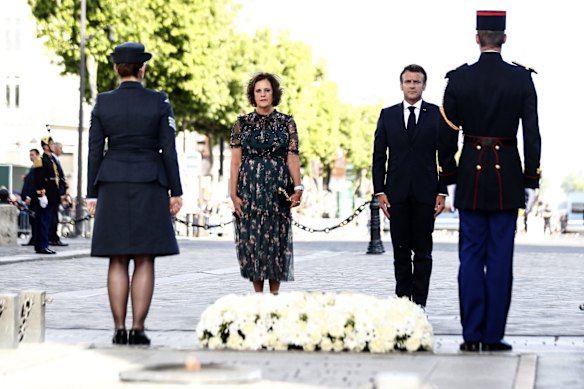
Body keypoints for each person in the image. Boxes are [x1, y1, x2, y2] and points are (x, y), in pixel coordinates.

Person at [438, 11, 542, 352]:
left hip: (469, 176)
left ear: (477, 39)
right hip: (508, 178)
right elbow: (532, 134)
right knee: (500, 260)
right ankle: (493, 335)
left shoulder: (458, 79)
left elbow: (445, 138)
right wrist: (531, 179)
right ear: (504, 39)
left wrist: (450, 179)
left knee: (469, 259)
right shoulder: (521, 79)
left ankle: (471, 336)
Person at [86, 42, 183, 346]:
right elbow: (168, 148)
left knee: (116, 259)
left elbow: (93, 151)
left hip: (112, 182)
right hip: (149, 182)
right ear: (142, 68)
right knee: (144, 258)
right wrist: (176, 190)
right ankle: (138, 329)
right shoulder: (159, 101)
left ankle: (118, 329)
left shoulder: (102, 102)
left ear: (117, 68)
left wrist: (92, 194)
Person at [372, 64, 445, 308]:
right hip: (396, 195)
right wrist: (379, 190)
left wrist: (442, 191)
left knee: (423, 254)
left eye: (417, 82)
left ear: (424, 85)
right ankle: (403, 305)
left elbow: (445, 156)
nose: (412, 86)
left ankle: (420, 305)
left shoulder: (437, 114)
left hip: (427, 195)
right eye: (408, 81)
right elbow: (378, 155)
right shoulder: (388, 115)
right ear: (401, 84)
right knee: (401, 254)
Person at [230, 72, 302, 294]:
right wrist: (233, 194)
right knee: (254, 241)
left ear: (274, 93)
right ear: (253, 95)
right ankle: (258, 296)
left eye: (267, 90)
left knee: (276, 240)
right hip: (249, 188)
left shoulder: (286, 122)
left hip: (278, 189)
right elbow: (235, 162)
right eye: (258, 91)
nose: (262, 94)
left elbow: (292, 156)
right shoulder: (241, 123)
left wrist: (298, 188)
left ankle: (274, 294)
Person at [33, 135, 60, 255]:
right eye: (51, 144)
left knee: (45, 220)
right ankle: (42, 245)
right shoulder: (41, 160)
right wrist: (41, 195)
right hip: (46, 195)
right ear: (45, 146)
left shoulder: (51, 159)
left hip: (52, 194)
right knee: (43, 221)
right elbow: (39, 179)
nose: (53, 146)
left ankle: (41, 245)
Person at [48, 137, 69, 247]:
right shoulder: (52, 160)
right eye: (60, 148)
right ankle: (52, 238)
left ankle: (54, 237)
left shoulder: (56, 160)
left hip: (57, 192)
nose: (61, 150)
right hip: (54, 193)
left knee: (54, 217)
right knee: (52, 217)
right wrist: (60, 192)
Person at [21, 149, 41, 246]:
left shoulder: (37, 166)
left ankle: (35, 239)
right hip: (30, 199)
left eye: (32, 155)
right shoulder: (33, 167)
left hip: (34, 198)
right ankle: (34, 238)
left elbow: (34, 183)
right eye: (30, 155)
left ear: (37, 155)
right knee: (32, 220)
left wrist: (29, 197)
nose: (31, 156)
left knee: (35, 220)